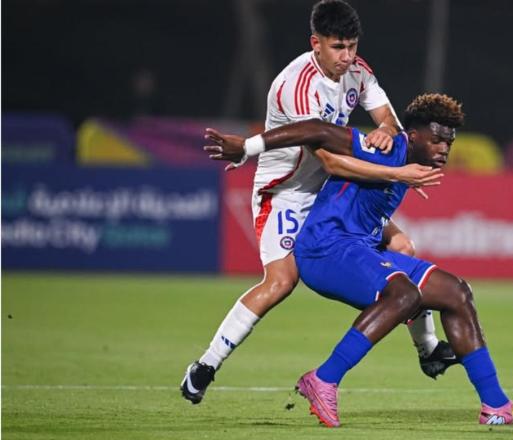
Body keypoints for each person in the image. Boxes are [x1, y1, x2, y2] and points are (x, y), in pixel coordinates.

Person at [181, 0, 457, 405]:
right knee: (280, 282)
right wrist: (398, 173)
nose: (347, 57)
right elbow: (328, 158)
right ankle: (205, 365)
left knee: (403, 246)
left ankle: (428, 349)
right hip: (287, 193)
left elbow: (392, 123)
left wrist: (383, 129)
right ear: (316, 44)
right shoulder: (296, 86)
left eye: (352, 46)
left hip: (330, 191)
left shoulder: (359, 71)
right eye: (338, 47)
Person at [204, 93, 513, 427]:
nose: (443, 149)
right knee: (404, 294)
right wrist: (248, 148)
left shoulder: (410, 167)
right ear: (412, 135)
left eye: (448, 143)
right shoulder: (382, 147)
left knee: (457, 293)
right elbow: (314, 129)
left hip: (358, 249)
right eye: (436, 140)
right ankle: (323, 379)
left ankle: (495, 405)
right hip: (324, 249)